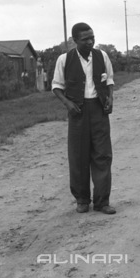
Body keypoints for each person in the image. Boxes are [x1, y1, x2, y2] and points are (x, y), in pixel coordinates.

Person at [52, 23, 116, 214]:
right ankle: (82, 199)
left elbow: (110, 80)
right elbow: (56, 86)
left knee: (102, 156)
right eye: (85, 39)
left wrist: (110, 98)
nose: (90, 42)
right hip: (78, 112)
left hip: (99, 110)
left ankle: (102, 202)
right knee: (78, 156)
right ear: (75, 41)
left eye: (92, 38)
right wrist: (67, 104)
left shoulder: (102, 56)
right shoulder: (64, 60)